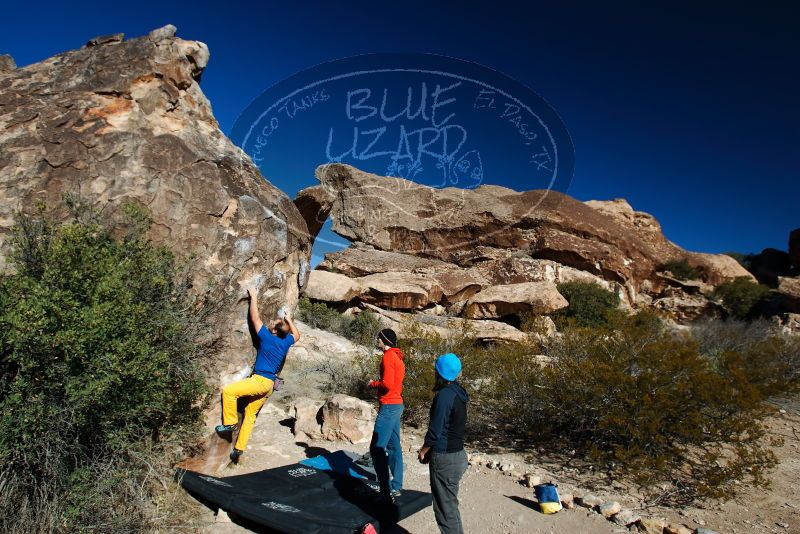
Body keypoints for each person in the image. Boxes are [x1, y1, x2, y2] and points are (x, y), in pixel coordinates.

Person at [215, 288, 300, 463]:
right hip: (269, 386)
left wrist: (254, 297)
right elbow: (297, 335)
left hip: (259, 381)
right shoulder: (285, 342)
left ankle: (230, 423)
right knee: (250, 415)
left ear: (275, 330)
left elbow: (255, 318)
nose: (271, 323)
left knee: (229, 392)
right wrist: (289, 320)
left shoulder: (268, 338)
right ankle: (239, 449)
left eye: (274, 323)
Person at [417, 353, 469, 534]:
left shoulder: (444, 396)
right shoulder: (459, 392)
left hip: (445, 459)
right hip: (458, 455)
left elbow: (435, 431)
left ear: (440, 373)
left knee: (445, 511)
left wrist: (424, 451)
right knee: (450, 505)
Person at [367, 328, 405, 504]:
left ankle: (385, 490)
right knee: (394, 446)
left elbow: (387, 384)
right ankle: (396, 486)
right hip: (397, 404)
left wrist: (372, 384)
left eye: (379, 338)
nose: (377, 340)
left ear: (384, 340)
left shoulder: (388, 357)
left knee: (377, 448)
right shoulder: (397, 356)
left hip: (389, 406)